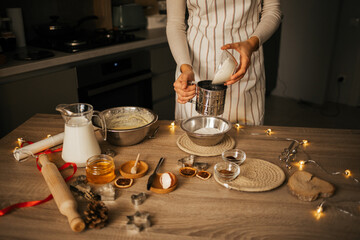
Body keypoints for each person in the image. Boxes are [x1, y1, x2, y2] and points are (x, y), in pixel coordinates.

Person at [166, 0, 282, 125]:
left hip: (245, 66)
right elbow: (175, 23)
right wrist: (185, 68)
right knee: (194, 137)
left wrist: (251, 44)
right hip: (195, 68)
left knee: (245, 140)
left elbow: (272, 10)